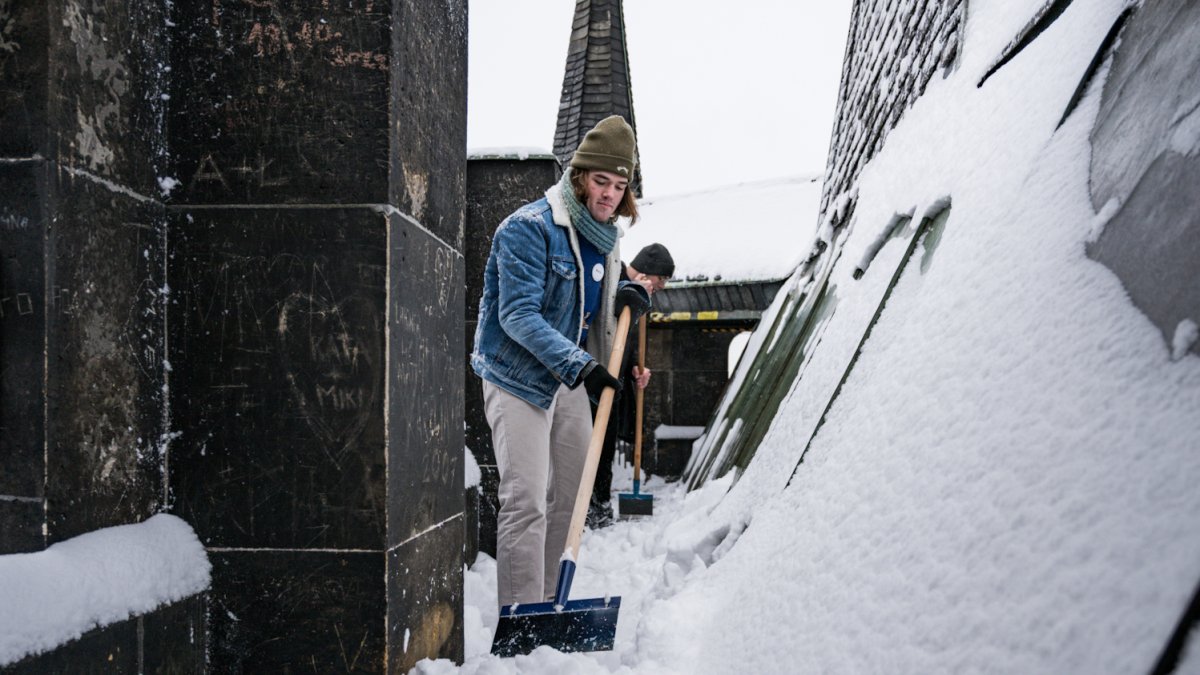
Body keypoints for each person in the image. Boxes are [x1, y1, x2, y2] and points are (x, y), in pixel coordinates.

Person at [471, 115, 651, 607]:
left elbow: (590, 311)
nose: (610, 194)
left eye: (619, 186)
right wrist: (583, 368)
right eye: (601, 181)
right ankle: (520, 617)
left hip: (565, 379)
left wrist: (624, 294)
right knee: (525, 499)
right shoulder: (527, 229)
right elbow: (517, 316)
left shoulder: (606, 239)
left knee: (570, 498)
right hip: (517, 379)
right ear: (579, 177)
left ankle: (549, 604)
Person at [586, 243, 675, 528]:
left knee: (606, 446)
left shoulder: (639, 292)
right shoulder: (614, 278)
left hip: (615, 380)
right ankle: (590, 507)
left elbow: (627, 338)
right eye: (661, 280)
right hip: (593, 376)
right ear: (651, 271)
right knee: (591, 446)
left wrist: (636, 364)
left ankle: (599, 504)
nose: (660, 287)